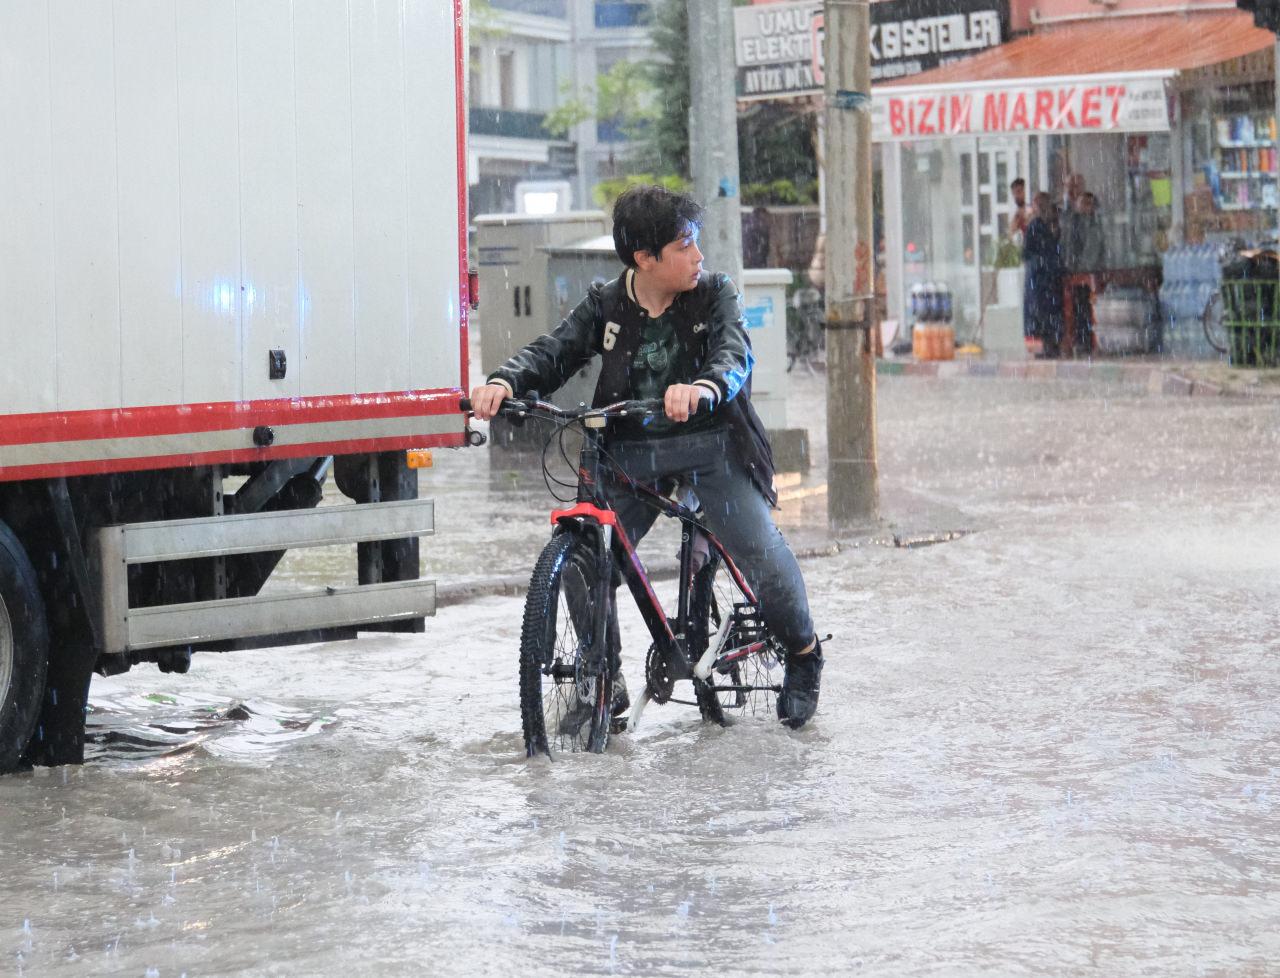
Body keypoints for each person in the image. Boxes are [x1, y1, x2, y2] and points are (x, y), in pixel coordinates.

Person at [469, 185, 824, 730]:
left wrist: (704, 385)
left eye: (696, 245)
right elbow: (555, 351)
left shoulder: (715, 294)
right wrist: (504, 380)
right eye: (685, 246)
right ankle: (603, 683)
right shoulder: (606, 304)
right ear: (645, 258)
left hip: (712, 444)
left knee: (757, 547)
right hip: (628, 452)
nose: (698, 257)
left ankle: (802, 656)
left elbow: (734, 354)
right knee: (583, 562)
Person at [1062, 191, 1107, 355]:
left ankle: (1089, 341)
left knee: (1091, 308)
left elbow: (1097, 248)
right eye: (1083, 203)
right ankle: (1081, 341)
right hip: (1078, 274)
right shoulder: (1073, 223)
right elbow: (1070, 247)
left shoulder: (1095, 223)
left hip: (1092, 273)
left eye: (1089, 204)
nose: (1086, 207)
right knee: (1079, 308)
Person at [1023, 191, 1064, 358]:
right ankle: (1041, 347)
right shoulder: (1034, 226)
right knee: (1038, 312)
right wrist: (1042, 261)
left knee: (1051, 312)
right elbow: (1027, 253)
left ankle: (1052, 344)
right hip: (1038, 278)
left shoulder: (1053, 225)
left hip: (1050, 277)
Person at [1009, 177, 1031, 243]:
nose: (1016, 196)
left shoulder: (1033, 210)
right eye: (1014, 193)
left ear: (1025, 191)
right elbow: (1012, 236)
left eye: (1019, 191)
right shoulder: (1016, 217)